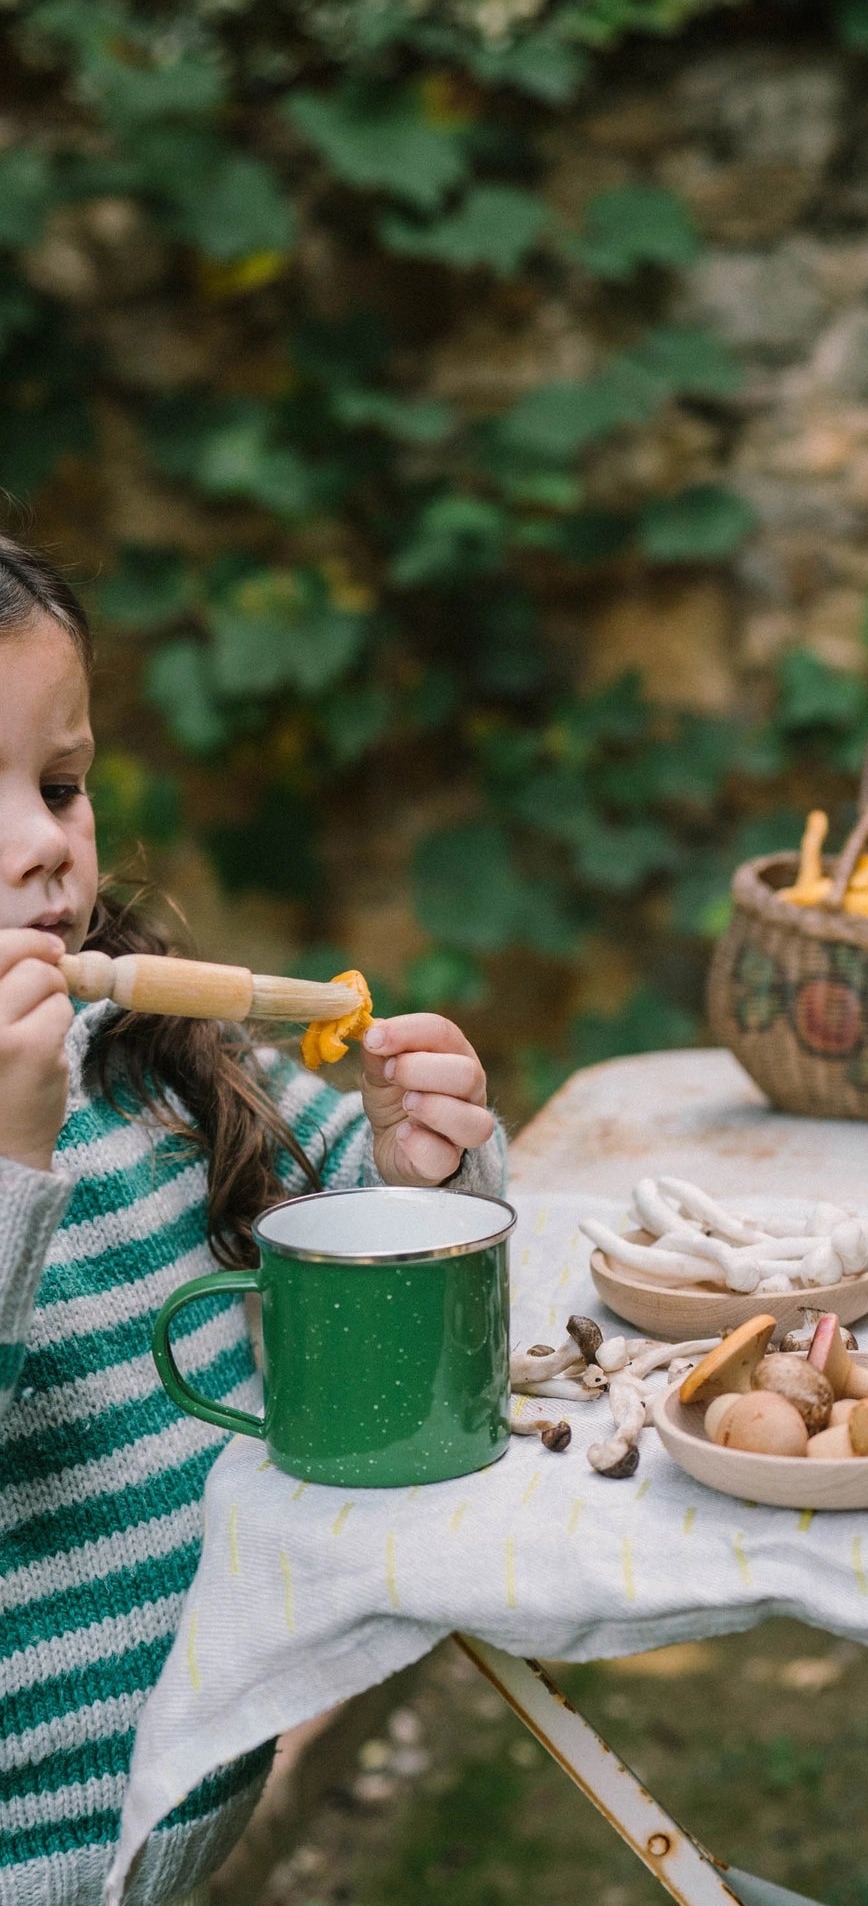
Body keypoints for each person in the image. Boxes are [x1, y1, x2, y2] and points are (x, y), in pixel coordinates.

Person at [0, 536, 504, 1905]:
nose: (44, 845)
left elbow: (375, 1216)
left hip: (176, 1820)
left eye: (60, 785)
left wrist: (417, 1168)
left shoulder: (138, 1051)